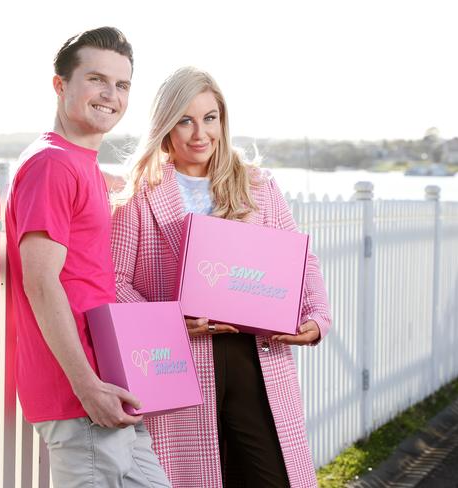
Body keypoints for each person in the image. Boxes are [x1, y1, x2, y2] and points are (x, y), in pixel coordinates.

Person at [111, 66, 331, 487]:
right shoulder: (140, 193)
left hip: (258, 356)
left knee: (273, 478)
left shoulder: (257, 186)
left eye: (210, 118)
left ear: (223, 121)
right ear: (166, 125)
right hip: (182, 361)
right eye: (185, 119)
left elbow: (301, 263)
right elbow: (116, 279)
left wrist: (316, 318)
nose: (200, 133)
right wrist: (169, 323)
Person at [5, 27, 170, 487]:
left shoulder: (81, 166)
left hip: (110, 387)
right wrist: (87, 386)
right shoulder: (52, 165)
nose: (111, 95)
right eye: (96, 79)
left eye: (122, 85)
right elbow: (41, 281)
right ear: (60, 85)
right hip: (81, 397)